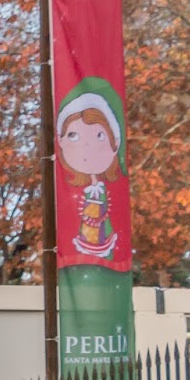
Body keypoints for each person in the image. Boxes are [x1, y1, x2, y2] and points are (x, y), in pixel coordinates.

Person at [56, 88, 124, 259]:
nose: (87, 147)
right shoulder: (72, 190)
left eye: (100, 136)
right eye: (73, 136)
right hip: (79, 240)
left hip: (103, 234)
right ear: (60, 141)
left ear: (115, 143)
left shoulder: (105, 189)